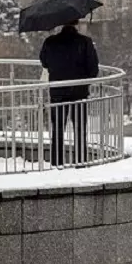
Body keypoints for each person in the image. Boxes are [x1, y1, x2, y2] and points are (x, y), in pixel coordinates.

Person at [39, 19, 100, 166]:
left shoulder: (50, 42)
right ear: (77, 23)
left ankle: (57, 162)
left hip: (57, 92)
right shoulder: (85, 42)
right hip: (79, 92)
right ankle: (80, 161)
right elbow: (93, 69)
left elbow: (44, 62)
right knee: (80, 129)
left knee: (58, 129)